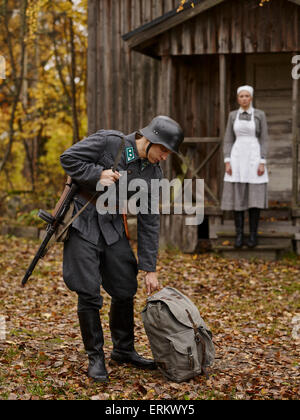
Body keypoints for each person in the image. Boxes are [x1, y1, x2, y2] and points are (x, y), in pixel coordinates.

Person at [59, 115, 184, 382]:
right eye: (163, 150)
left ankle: (123, 350)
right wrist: (97, 174)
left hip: (113, 226)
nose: (165, 157)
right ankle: (95, 357)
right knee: (89, 291)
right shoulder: (110, 142)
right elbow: (67, 158)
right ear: (150, 140)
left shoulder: (153, 172)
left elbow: (150, 220)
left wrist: (149, 267)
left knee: (126, 286)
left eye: (168, 153)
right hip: (83, 221)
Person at [221, 85, 269, 248]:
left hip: (254, 156)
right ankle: (239, 235)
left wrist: (262, 161)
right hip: (237, 156)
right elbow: (228, 138)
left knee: (254, 198)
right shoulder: (233, 116)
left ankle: (253, 236)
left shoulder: (260, 115)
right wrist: (227, 160)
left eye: (247, 96)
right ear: (237, 98)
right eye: (241, 96)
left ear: (251, 98)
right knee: (238, 196)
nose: (244, 99)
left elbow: (264, 139)